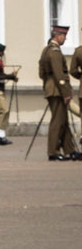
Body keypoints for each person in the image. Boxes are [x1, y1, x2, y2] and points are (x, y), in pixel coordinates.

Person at [46, 26, 80, 161]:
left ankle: (70, 150)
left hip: (53, 89)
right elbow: (59, 75)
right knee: (57, 122)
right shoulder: (54, 52)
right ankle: (53, 151)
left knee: (64, 121)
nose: (65, 39)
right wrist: (66, 92)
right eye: (64, 36)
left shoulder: (48, 50)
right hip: (57, 90)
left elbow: (42, 73)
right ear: (57, 35)